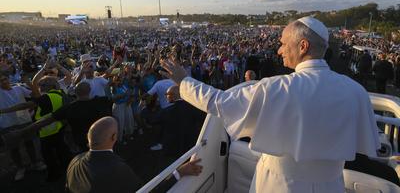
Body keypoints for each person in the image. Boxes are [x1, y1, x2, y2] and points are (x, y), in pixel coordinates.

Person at [161, 16, 380, 193]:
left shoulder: (276, 88)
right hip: (331, 186)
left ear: (303, 46)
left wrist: (184, 81)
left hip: (280, 186)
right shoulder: (356, 91)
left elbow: (220, 102)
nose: (279, 50)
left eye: (283, 44)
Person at [66, 116, 203, 193]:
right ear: (114, 137)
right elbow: (145, 192)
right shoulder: (116, 169)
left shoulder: (75, 161)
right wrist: (178, 172)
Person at [0, 72, 45, 181]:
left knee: (29, 143)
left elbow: (36, 95)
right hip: (8, 124)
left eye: (5, 78)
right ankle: (20, 168)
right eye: (1, 80)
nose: (4, 81)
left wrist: (29, 83)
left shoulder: (18, 88)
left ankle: (35, 163)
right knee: (13, 148)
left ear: (8, 78)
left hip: (25, 121)